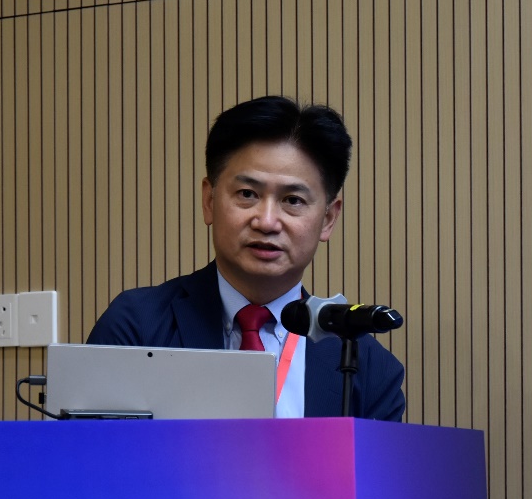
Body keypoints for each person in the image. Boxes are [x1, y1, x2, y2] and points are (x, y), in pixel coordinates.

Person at [87, 95, 405, 421]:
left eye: (292, 200)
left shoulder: (369, 370)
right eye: (247, 194)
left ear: (328, 219)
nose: (266, 221)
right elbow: (91, 450)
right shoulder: (137, 328)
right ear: (209, 201)